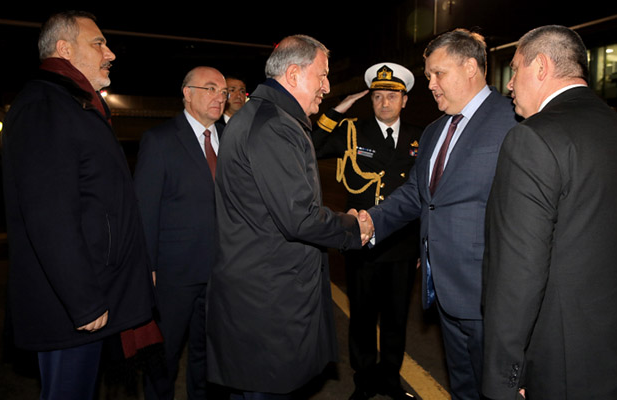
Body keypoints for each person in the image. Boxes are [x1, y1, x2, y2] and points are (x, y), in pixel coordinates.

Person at [356, 29, 518, 400]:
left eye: (438, 74)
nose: (430, 84)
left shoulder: (512, 120)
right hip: (443, 289)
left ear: (471, 67)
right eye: (429, 75)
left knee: (498, 390)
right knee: (462, 386)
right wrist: (369, 221)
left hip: (491, 295)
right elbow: (417, 194)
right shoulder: (433, 131)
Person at [1, 10, 155, 399]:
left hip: (92, 292)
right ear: (64, 49)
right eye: (98, 43)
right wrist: (83, 302)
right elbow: (49, 217)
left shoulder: (72, 104)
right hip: (72, 306)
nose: (110, 53)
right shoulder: (45, 107)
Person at [206, 34, 368, 400]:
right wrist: (354, 227)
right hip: (269, 302)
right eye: (322, 76)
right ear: (293, 74)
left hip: (260, 293)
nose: (327, 87)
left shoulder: (264, 116)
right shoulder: (274, 125)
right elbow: (300, 218)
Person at [481, 25, 617, 400]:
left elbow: (518, 270)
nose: (509, 84)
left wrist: (504, 377)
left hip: (559, 360)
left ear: (540, 67)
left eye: (514, 69)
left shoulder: (533, 138)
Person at [311, 62, 421, 400]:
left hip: (402, 243)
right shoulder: (352, 131)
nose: (384, 102)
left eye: (392, 96)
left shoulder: (421, 136)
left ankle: (390, 378)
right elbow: (311, 145)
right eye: (377, 96)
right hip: (362, 241)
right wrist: (338, 109)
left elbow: (429, 193)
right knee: (361, 315)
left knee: (396, 317)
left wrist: (424, 244)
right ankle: (364, 379)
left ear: (404, 100)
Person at [133, 66, 227, 400]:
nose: (220, 97)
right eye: (211, 89)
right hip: (173, 275)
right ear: (187, 93)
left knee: (209, 358)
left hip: (222, 273)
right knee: (164, 356)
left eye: (223, 92)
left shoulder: (231, 138)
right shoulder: (160, 140)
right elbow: (145, 209)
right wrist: (148, 268)